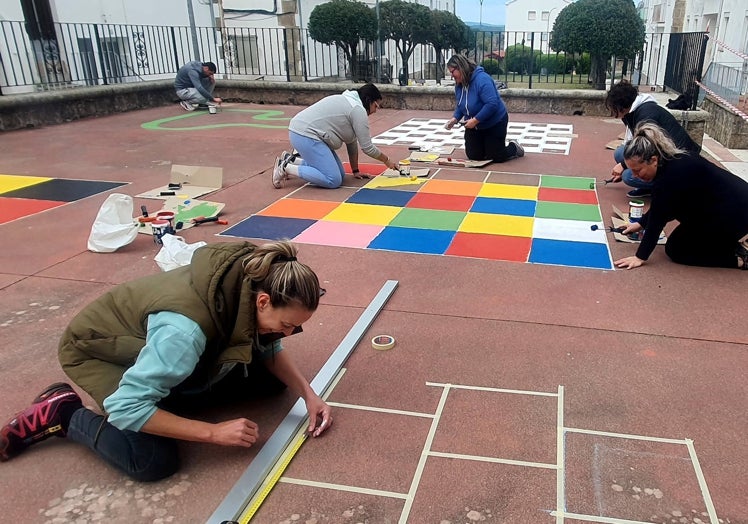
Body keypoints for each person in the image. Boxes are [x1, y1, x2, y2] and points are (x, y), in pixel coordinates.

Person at [0, 241, 333, 481]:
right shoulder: (183, 333)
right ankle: (65, 412)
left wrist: (309, 393)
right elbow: (127, 406)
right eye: (286, 324)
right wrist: (212, 433)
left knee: (270, 380)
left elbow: (266, 343)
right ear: (263, 301)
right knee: (151, 462)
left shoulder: (255, 277)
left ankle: (169, 396)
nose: (288, 333)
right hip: (101, 351)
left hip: (152, 344)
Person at [614, 123, 748, 271]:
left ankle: (740, 260)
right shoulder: (674, 161)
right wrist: (640, 224)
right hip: (724, 206)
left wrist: (640, 257)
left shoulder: (669, 179)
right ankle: (727, 244)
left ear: (653, 160)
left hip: (737, 213)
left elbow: (657, 221)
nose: (634, 176)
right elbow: (663, 208)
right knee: (683, 237)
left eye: (638, 170)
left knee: (677, 250)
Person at [272, 83, 399, 189]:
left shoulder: (351, 102)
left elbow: (352, 142)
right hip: (304, 134)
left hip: (304, 133)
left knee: (340, 174)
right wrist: (387, 160)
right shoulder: (357, 110)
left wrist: (355, 171)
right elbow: (367, 147)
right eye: (376, 106)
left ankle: (292, 159)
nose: (375, 111)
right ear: (368, 100)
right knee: (333, 179)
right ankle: (285, 167)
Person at [605, 80, 700, 198]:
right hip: (662, 153)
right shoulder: (632, 113)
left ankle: (662, 186)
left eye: (612, 108)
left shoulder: (646, 114)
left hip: (679, 160)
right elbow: (633, 144)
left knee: (628, 176)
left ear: (621, 106)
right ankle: (648, 183)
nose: (611, 112)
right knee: (620, 153)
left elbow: (647, 148)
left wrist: (624, 166)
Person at [444, 54, 524, 163]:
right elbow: (461, 105)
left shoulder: (482, 79)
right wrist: (454, 119)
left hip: (495, 121)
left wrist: (475, 120)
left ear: (460, 68)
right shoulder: (459, 84)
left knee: (496, 156)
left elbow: (492, 104)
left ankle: (514, 147)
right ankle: (487, 146)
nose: (452, 76)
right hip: (474, 125)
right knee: (474, 156)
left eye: (452, 72)